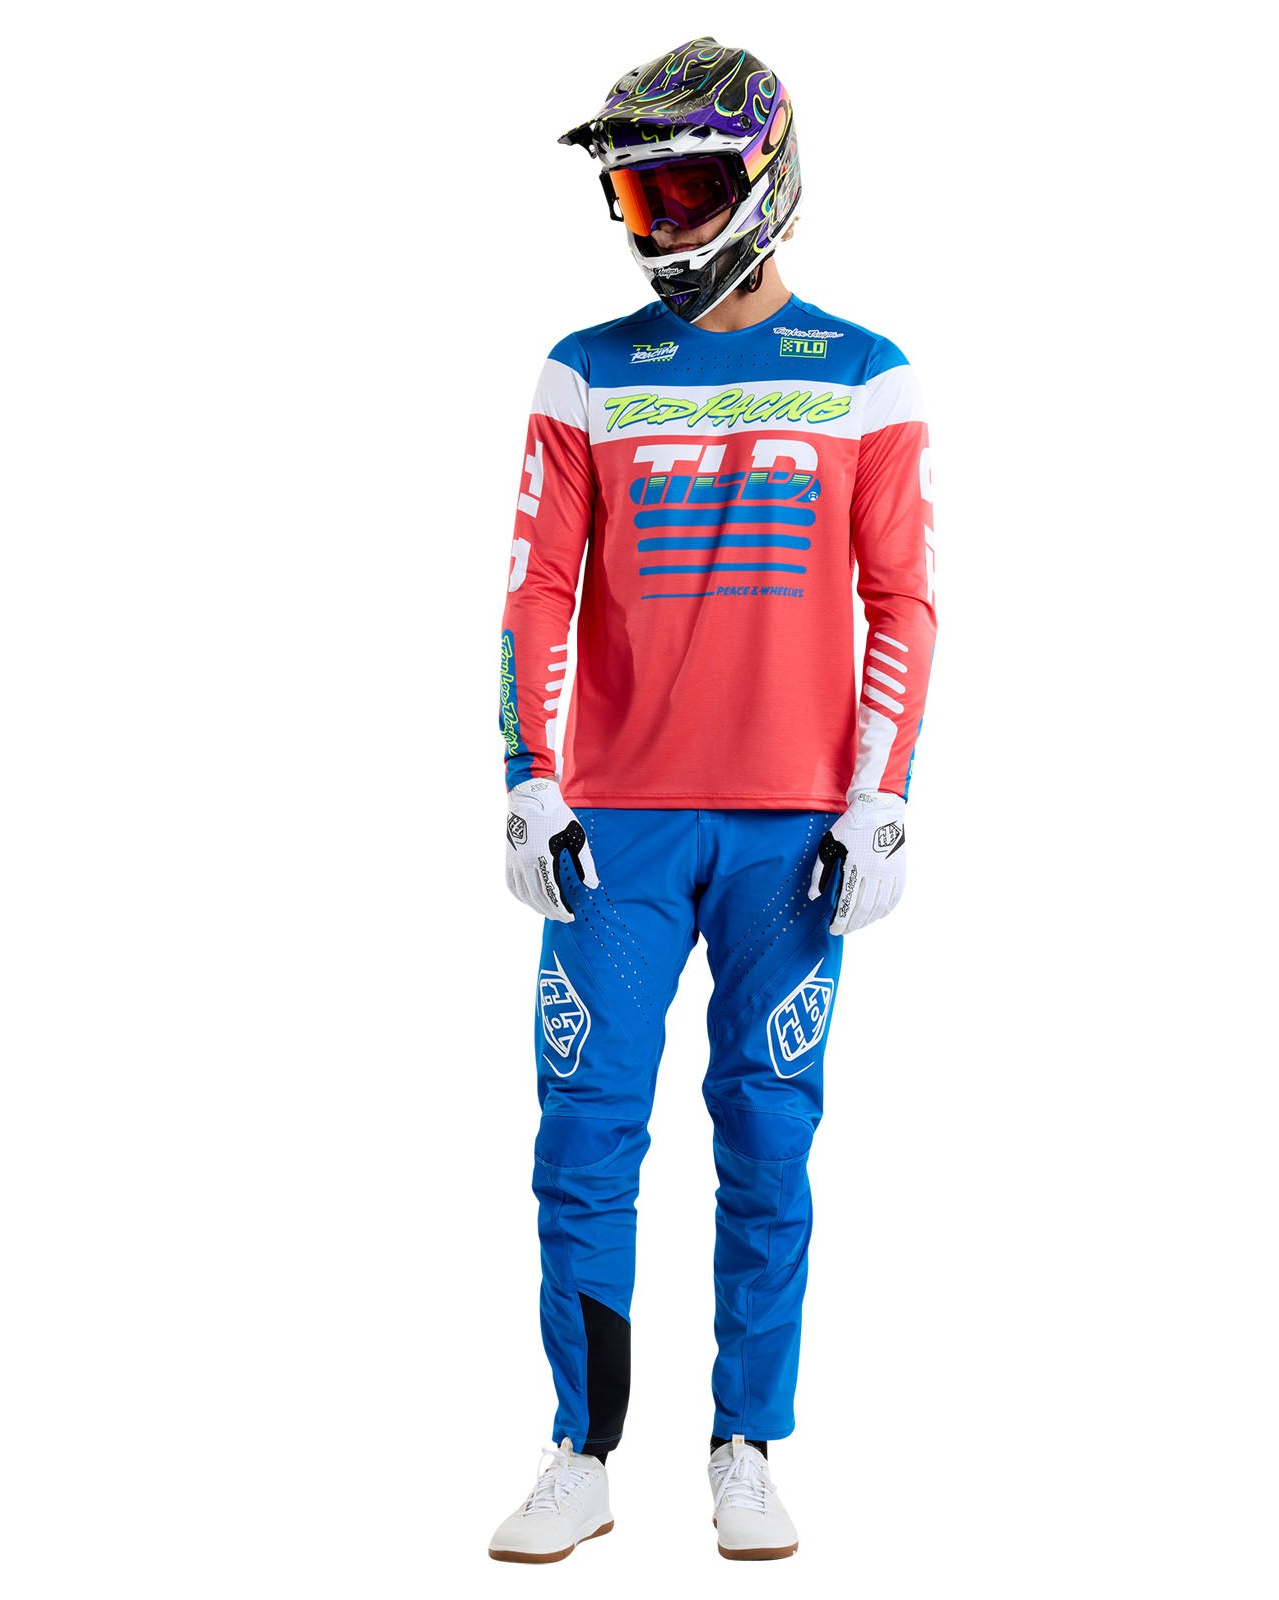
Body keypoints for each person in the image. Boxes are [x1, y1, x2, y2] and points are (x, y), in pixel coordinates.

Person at [489, 37, 936, 1564]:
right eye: (635, 195)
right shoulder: (584, 369)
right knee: (582, 1139)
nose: (658, 222)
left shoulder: (866, 374)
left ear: (762, 180)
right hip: (612, 833)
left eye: (683, 188)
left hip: (790, 839)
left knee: (767, 1138)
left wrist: (882, 798)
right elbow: (535, 589)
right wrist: (526, 780)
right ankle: (581, 1450)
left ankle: (748, 1446)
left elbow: (903, 600)